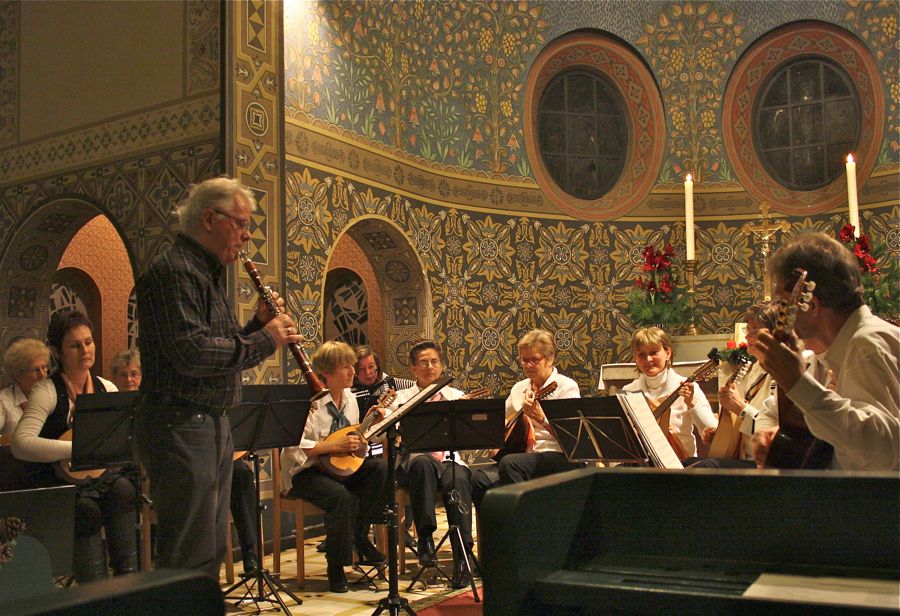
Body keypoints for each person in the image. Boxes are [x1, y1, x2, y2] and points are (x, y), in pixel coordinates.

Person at [134, 176, 300, 580]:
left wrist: (255, 326)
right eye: (241, 224)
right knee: (188, 554)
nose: (246, 236)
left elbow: (217, 348)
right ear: (210, 218)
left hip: (207, 423)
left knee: (208, 549)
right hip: (181, 423)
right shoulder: (175, 271)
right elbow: (191, 354)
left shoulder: (203, 273)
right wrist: (265, 339)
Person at [748, 232, 899, 471]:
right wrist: (790, 444)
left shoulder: (866, 344)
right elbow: (851, 439)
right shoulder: (846, 348)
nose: (780, 317)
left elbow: (883, 450)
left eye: (784, 304)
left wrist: (797, 383)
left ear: (811, 304)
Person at [12, 311, 138, 583]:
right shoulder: (46, 391)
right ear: (57, 352)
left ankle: (128, 584)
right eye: (75, 345)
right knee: (86, 510)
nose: (85, 350)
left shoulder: (106, 388)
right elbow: (21, 444)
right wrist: (77, 449)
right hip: (58, 480)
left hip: (99, 477)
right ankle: (94, 591)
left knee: (124, 489)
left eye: (88, 342)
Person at [281, 341, 387, 593]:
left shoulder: (349, 398)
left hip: (338, 469)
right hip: (306, 472)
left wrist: (366, 431)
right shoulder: (310, 402)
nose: (352, 372)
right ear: (327, 373)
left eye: (352, 366)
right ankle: (336, 568)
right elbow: (293, 446)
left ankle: (360, 537)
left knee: (379, 470)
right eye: (345, 367)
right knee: (342, 498)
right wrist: (332, 447)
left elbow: (351, 442)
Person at [392, 340, 474, 589]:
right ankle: (425, 539)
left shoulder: (455, 396)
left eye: (435, 361)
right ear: (413, 368)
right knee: (422, 464)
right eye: (424, 362)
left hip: (449, 459)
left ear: (441, 366)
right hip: (415, 462)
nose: (430, 366)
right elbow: (389, 433)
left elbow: (471, 434)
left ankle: (463, 557)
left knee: (458, 478)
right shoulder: (400, 398)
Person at [471, 329, 581, 510]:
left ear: (550, 358)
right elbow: (501, 421)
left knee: (511, 463)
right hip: (523, 455)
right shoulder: (518, 388)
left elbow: (572, 437)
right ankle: (494, 537)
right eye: (524, 360)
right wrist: (495, 439)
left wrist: (541, 418)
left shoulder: (565, 387)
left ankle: (526, 528)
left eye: (534, 360)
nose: (528, 365)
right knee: (479, 478)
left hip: (557, 455)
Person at [623, 327, 717, 459]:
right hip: (643, 465)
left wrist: (692, 404)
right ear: (635, 358)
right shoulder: (629, 391)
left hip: (681, 464)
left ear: (668, 353)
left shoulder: (687, 387)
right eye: (641, 354)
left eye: (654, 352)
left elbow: (711, 432)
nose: (648, 359)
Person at [1, 338, 50, 437]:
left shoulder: (51, 397)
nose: (42, 374)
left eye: (44, 367)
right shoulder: (3, 401)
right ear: (18, 375)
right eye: (36, 370)